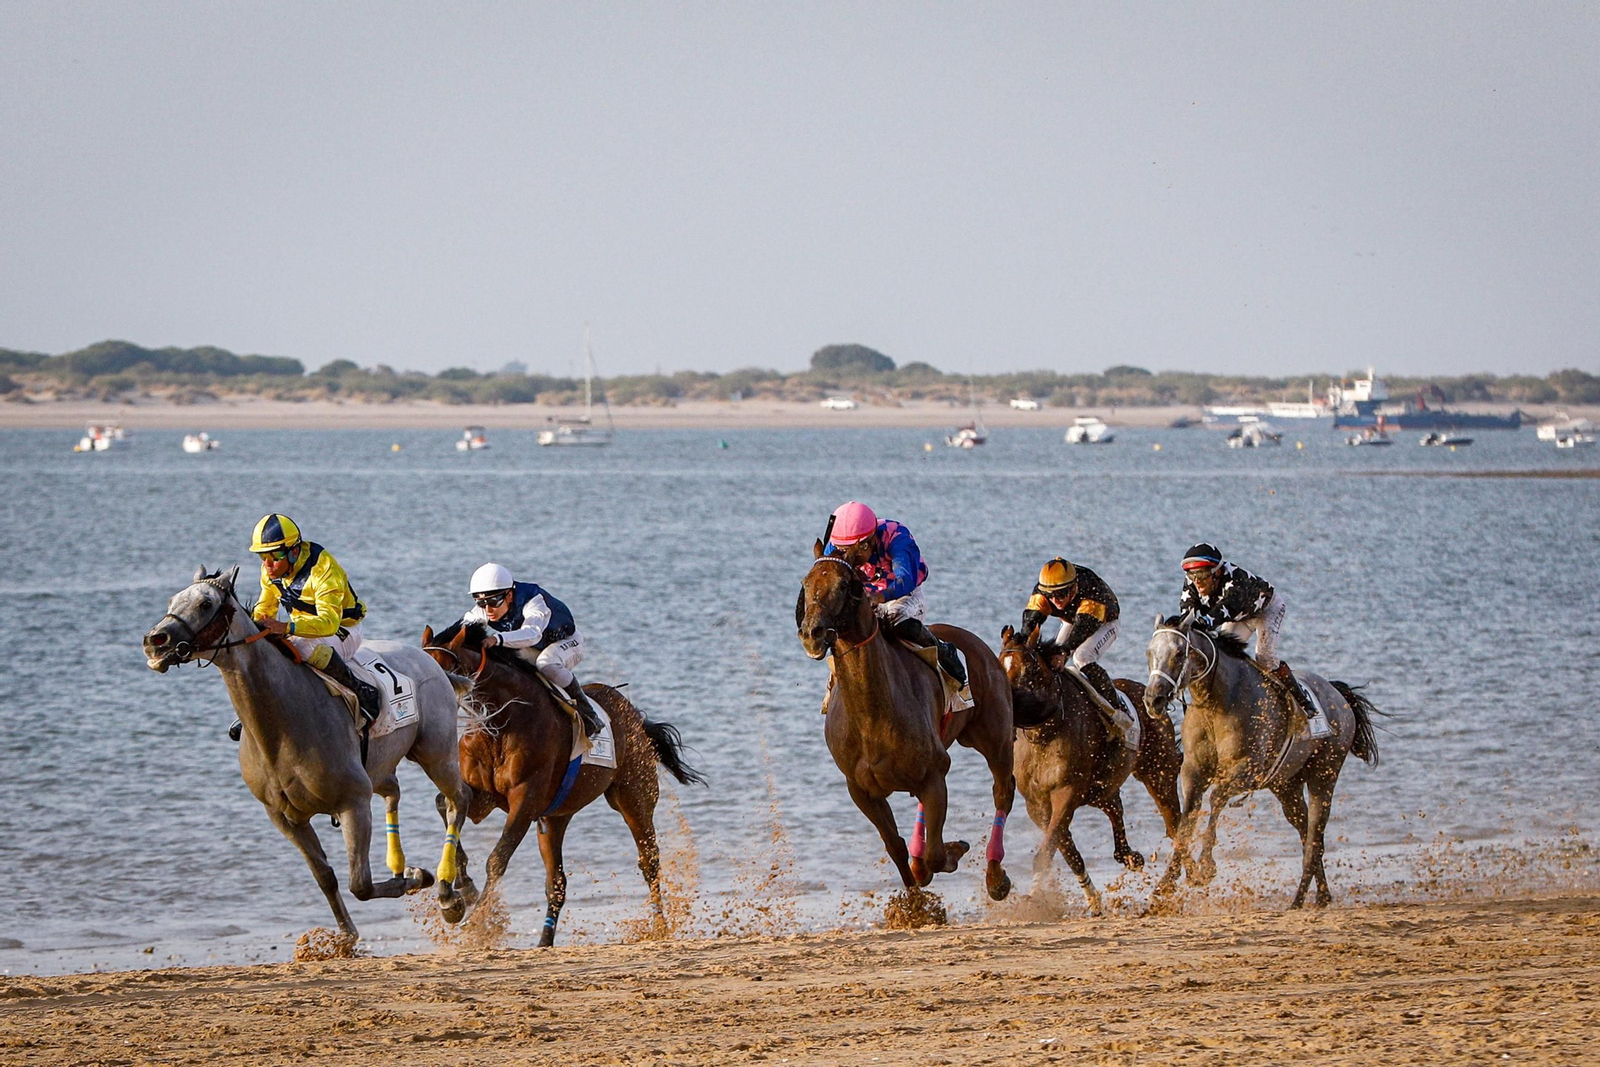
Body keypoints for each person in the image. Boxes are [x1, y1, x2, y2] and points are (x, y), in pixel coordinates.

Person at [234, 513, 380, 740]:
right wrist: (259, 625)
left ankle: (363, 694)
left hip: (343, 629)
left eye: (276, 555)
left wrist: (285, 628)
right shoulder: (269, 570)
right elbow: (266, 606)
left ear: (293, 551)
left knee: (304, 647)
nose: (268, 563)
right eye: (263, 556)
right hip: (301, 629)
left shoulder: (323, 570)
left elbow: (329, 623)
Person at [822, 501, 968, 694]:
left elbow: (905, 578)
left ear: (869, 542)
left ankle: (942, 651)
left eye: (852, 554)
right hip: (864, 596)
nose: (845, 558)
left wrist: (879, 596)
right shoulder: (835, 546)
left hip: (903, 595)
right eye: (840, 551)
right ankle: (834, 689)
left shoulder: (896, 536)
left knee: (896, 620)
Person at [462, 563, 601, 737]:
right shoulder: (485, 609)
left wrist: (497, 639)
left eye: (493, 602)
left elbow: (533, 634)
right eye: (480, 602)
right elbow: (461, 628)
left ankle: (588, 713)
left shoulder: (534, 601)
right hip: (535, 647)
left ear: (510, 595)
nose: (488, 609)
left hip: (568, 642)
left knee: (547, 664)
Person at [1178, 542, 1312, 710]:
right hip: (1239, 617)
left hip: (1266, 610)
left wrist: (1203, 623)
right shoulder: (1192, 581)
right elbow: (1187, 610)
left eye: (1203, 575)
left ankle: (1301, 700)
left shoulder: (1236, 581)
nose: (1197, 581)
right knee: (1225, 656)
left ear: (1217, 572)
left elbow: (1223, 610)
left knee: (1265, 657)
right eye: (1192, 575)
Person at [1020, 557, 1134, 750]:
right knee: (1048, 660)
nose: (1056, 600)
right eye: (1051, 595)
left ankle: (1117, 709)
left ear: (1074, 587)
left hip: (1103, 622)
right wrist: (1021, 642)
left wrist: (1064, 652)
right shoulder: (1042, 592)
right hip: (1073, 620)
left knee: (1082, 657)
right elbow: (1030, 623)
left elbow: (1084, 627)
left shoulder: (1090, 588)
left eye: (1062, 594)